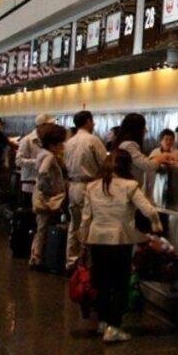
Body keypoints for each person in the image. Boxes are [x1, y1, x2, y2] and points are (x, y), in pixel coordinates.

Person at [80, 149, 163, 343]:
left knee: (100, 282)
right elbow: (149, 210)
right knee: (118, 284)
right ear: (127, 166)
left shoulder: (92, 186)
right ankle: (114, 327)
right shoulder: (130, 185)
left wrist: (82, 240)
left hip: (96, 239)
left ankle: (102, 322)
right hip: (120, 241)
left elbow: (85, 218)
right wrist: (157, 227)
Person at [63, 111, 108, 271]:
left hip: (72, 185)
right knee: (87, 225)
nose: (94, 124)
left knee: (73, 225)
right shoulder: (93, 140)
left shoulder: (69, 142)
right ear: (88, 121)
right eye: (93, 121)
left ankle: (71, 262)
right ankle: (85, 265)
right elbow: (105, 163)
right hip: (89, 186)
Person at [30, 123, 68, 269]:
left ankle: (36, 256)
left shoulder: (41, 153)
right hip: (47, 197)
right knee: (43, 228)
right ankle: (37, 258)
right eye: (61, 143)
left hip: (40, 195)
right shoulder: (50, 156)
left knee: (41, 227)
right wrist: (49, 189)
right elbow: (43, 172)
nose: (63, 146)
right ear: (54, 144)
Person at [114, 114, 173, 190]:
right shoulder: (128, 145)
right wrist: (162, 157)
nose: (146, 130)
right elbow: (148, 165)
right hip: (126, 189)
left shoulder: (125, 143)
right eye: (143, 127)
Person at [18, 114, 56, 209]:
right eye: (50, 126)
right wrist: (39, 162)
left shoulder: (48, 141)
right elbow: (19, 161)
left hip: (45, 186)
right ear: (41, 126)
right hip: (30, 185)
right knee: (29, 215)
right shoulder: (27, 140)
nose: (52, 128)